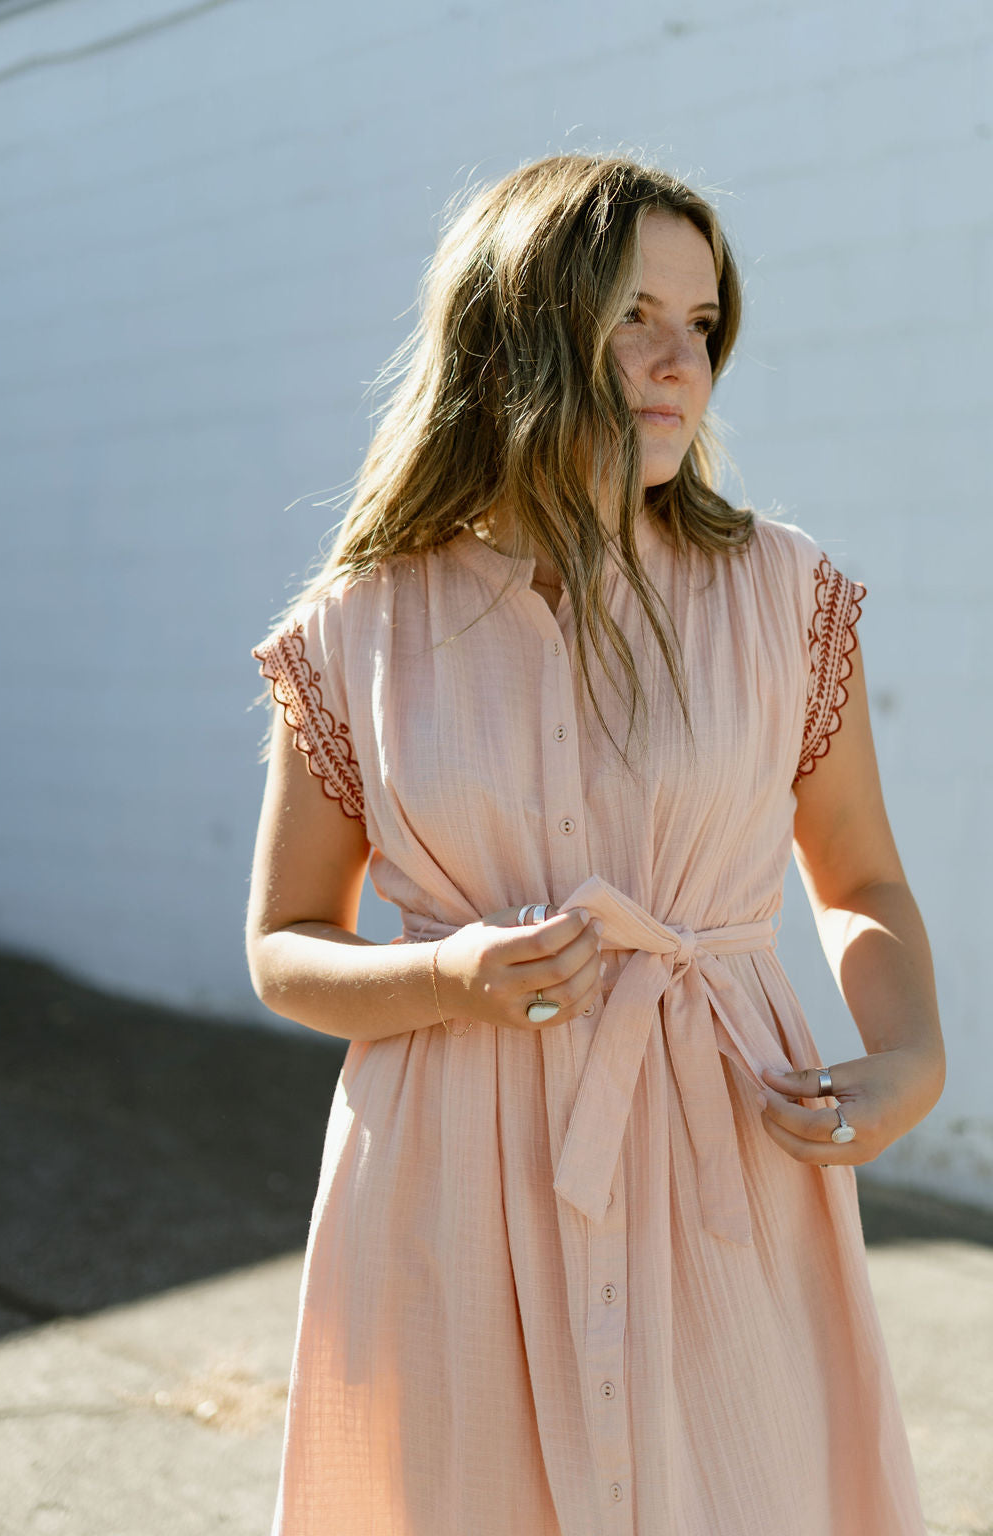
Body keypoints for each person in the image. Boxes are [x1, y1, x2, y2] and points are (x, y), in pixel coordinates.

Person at [246, 153, 944, 1536]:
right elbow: (284, 947)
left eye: (702, 323)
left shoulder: (782, 595)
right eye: (632, 313)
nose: (675, 359)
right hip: (452, 1189)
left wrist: (910, 1061)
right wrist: (449, 980)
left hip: (727, 1163)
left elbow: (861, 880)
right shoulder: (358, 630)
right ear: (516, 326)